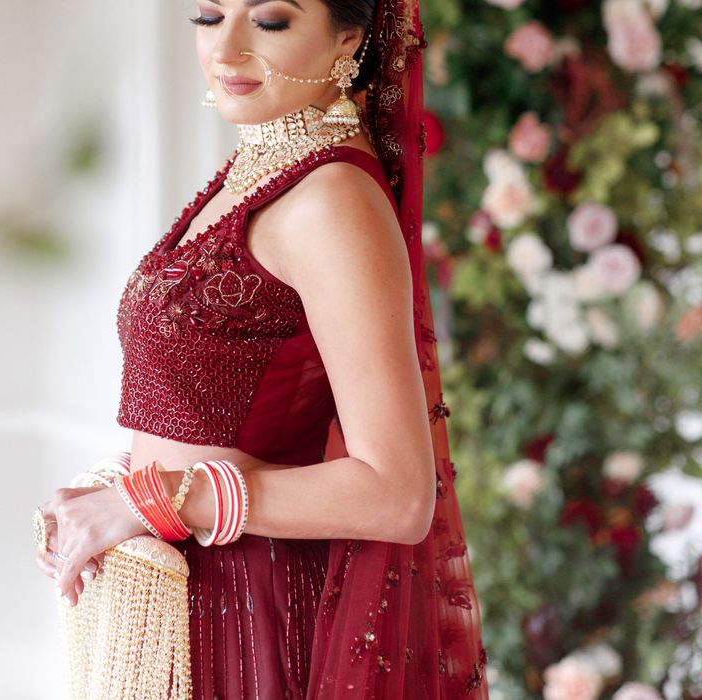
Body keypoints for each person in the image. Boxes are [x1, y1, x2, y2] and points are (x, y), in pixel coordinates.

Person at [34, 0, 489, 697]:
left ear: (349, 38)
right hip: (192, 593)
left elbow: (397, 494)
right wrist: (115, 490)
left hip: (246, 622)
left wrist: (151, 503)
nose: (227, 48)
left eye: (269, 21)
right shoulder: (260, 169)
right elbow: (228, 415)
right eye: (209, 16)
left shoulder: (330, 197)